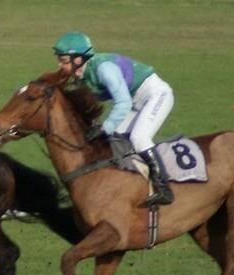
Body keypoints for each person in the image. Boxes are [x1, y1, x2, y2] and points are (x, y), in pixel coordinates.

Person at [53, 31, 176, 206]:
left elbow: (123, 102)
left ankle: (164, 188)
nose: (60, 65)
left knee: (139, 138)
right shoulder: (81, 76)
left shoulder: (104, 69)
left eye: (64, 61)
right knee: (114, 139)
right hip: (135, 101)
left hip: (156, 95)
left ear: (78, 59)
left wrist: (105, 127)